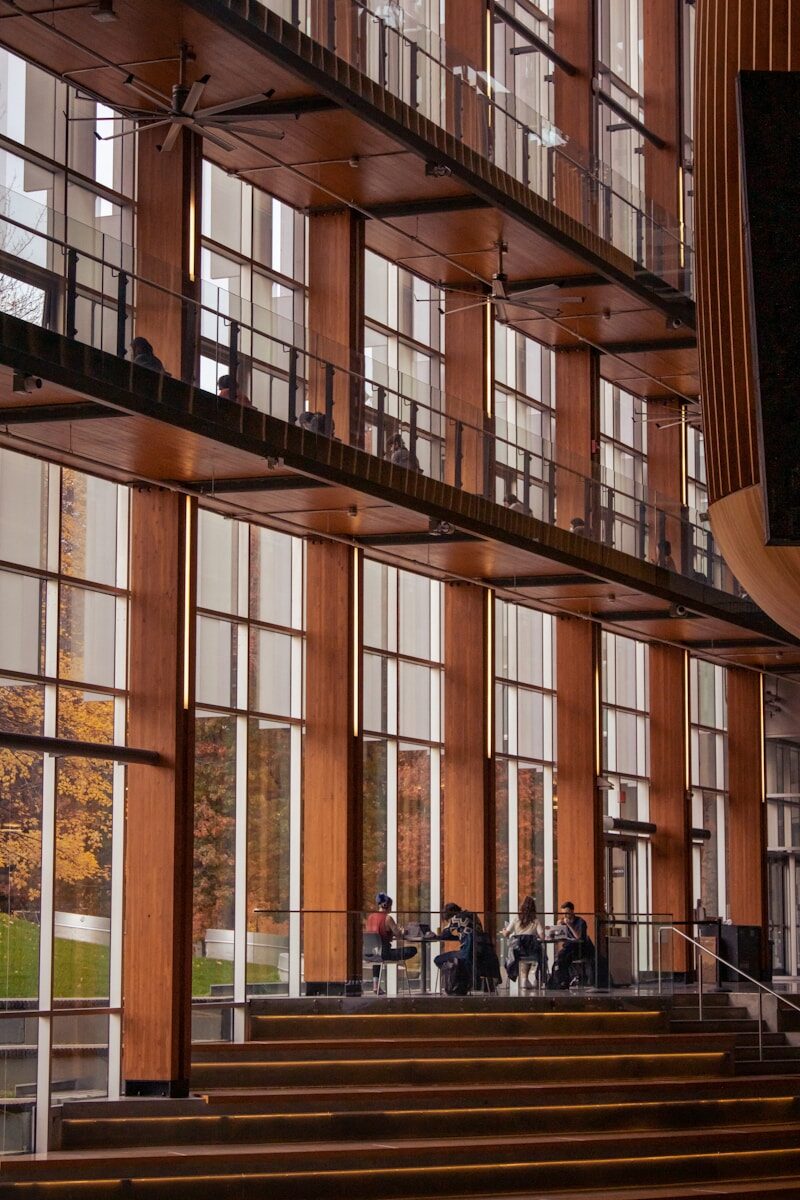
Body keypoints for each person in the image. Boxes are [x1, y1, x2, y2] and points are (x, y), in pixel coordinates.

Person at [364, 893, 416, 994]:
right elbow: (399, 935)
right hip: (385, 954)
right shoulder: (388, 918)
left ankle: (375, 985)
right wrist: (402, 931)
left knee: (377, 957)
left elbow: (376, 935)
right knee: (412, 950)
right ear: (387, 905)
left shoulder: (370, 918)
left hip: (370, 953)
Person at [502, 895, 545, 988]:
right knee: (543, 955)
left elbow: (506, 934)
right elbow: (542, 937)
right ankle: (537, 979)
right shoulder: (535, 921)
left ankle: (524, 979)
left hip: (518, 952)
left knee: (520, 952)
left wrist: (504, 930)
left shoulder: (516, 919)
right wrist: (534, 936)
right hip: (532, 952)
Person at [550, 900, 594, 990]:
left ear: (572, 911)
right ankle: (559, 980)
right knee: (560, 957)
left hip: (580, 949)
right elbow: (560, 938)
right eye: (563, 913)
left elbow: (578, 938)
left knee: (562, 956)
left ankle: (563, 981)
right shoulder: (563, 922)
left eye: (567, 913)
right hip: (568, 947)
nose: (565, 915)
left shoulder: (581, 922)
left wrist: (569, 925)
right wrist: (558, 928)